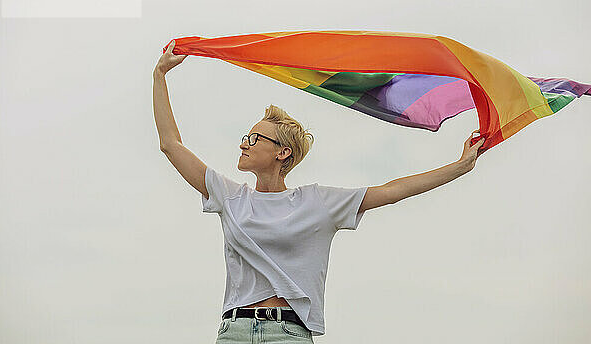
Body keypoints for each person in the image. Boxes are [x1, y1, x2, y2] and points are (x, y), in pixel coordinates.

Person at [153, 40, 485, 343]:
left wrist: (459, 166)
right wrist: (160, 75)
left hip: (289, 334)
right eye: (246, 137)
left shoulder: (318, 203)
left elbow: (392, 190)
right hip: (233, 332)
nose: (244, 144)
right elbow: (171, 145)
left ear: (283, 152)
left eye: (255, 139)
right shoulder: (230, 197)